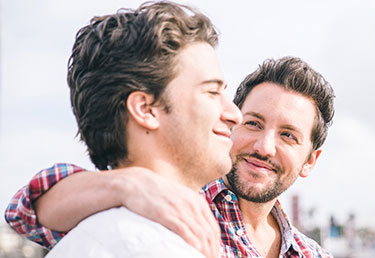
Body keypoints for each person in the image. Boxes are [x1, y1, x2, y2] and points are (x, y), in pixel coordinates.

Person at [6, 57, 336, 256]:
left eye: (288, 136)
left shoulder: (312, 254)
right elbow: (25, 211)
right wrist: (126, 185)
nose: (264, 147)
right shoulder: (168, 207)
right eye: (254, 123)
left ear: (311, 160)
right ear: (233, 120)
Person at [5, 1, 243, 257]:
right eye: (211, 92)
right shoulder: (148, 246)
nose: (235, 115)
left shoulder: (95, 232)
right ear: (145, 109)